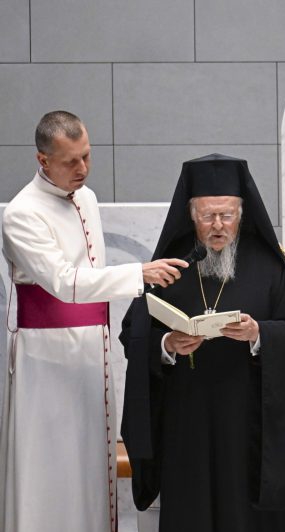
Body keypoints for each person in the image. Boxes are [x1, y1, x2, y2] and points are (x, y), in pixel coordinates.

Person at [0, 110, 185, 532]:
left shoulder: (87, 198)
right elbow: (64, 283)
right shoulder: (22, 214)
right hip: (45, 359)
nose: (82, 169)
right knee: (49, 466)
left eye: (87, 156)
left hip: (91, 352)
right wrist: (139, 273)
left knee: (90, 459)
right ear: (42, 160)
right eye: (70, 161)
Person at [119, 154, 285, 532]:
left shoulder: (270, 267)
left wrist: (260, 334)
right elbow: (134, 332)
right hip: (186, 420)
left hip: (250, 421)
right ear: (191, 215)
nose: (217, 226)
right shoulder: (168, 267)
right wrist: (168, 346)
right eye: (208, 216)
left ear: (242, 214)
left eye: (226, 215)